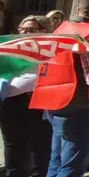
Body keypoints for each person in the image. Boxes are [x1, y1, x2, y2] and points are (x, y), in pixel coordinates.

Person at [30, 0, 89, 177]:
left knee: (56, 161)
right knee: (72, 166)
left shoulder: (62, 28)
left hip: (56, 102)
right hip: (81, 107)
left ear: (79, 9)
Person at [0, 16, 53, 177]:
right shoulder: (8, 48)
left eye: (30, 29)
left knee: (39, 143)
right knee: (12, 143)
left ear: (43, 31)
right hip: (10, 101)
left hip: (39, 101)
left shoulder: (51, 49)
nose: (24, 33)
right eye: (22, 29)